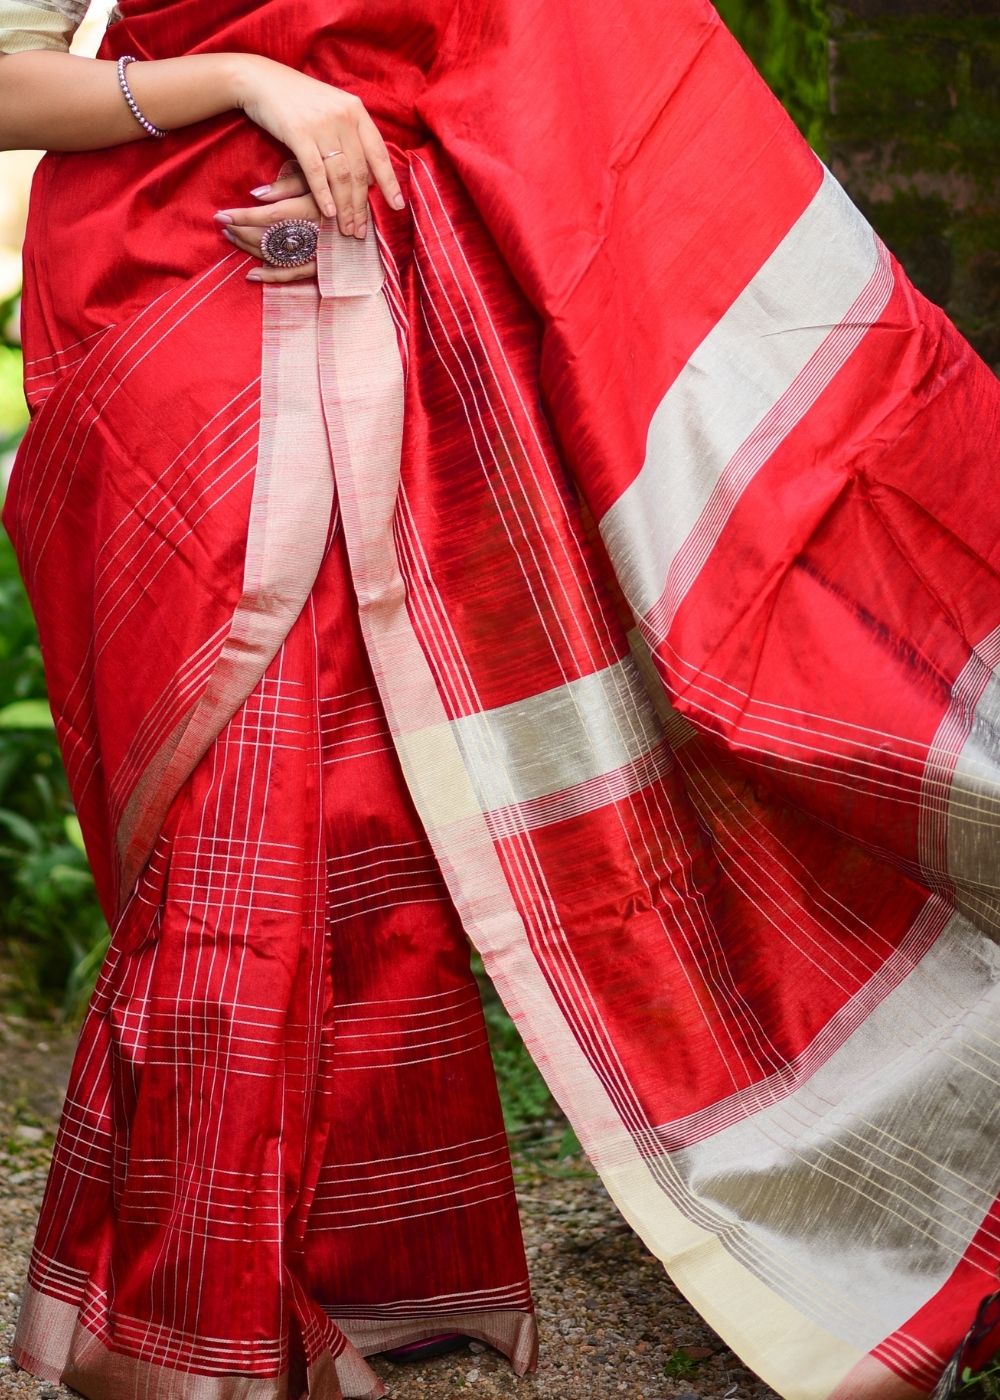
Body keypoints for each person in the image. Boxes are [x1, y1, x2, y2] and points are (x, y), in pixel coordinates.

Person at [1, 2, 999, 1399]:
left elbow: (536, 61)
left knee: (357, 804)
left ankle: (370, 1270)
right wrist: (246, 81)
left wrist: (376, 140)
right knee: (233, 811)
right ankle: (180, 1329)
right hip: (166, 317)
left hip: (381, 299)